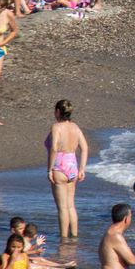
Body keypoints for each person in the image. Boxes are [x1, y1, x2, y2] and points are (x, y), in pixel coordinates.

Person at [45, 99, 88, 239]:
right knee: (71, 206)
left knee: (62, 207)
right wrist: (82, 169)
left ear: (58, 111)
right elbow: (85, 148)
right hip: (73, 166)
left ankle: (63, 238)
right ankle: (74, 236)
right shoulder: (75, 127)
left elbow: (54, 147)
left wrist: (49, 169)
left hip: (60, 166)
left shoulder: (56, 127)